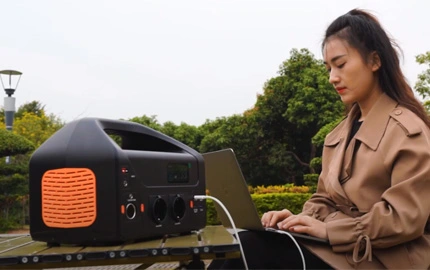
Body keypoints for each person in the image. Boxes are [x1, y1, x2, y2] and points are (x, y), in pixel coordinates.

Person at [209, 8, 430, 269]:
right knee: (241, 246)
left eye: (341, 64)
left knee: (252, 253)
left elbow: (403, 219)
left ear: (374, 61)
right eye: (328, 68)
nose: (332, 77)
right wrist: (298, 220)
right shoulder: (338, 135)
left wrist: (330, 232)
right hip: (338, 251)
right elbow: (325, 199)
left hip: (383, 258)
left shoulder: (408, 131)